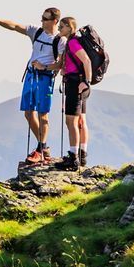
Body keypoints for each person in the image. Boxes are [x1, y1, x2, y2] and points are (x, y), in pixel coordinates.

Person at [0, 7, 66, 166]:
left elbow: (61, 64)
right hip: (31, 75)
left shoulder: (60, 41)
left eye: (45, 19)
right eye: (42, 18)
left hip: (45, 78)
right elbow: (15, 26)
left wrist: (44, 67)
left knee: (42, 114)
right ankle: (43, 147)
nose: (42, 21)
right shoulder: (36, 32)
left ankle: (41, 148)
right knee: (28, 113)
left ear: (55, 21)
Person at [56, 16, 95, 169]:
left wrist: (86, 81)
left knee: (71, 121)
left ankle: (73, 158)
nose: (59, 30)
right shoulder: (74, 41)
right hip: (80, 83)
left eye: (62, 27)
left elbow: (86, 60)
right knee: (81, 121)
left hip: (75, 84)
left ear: (69, 27)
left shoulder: (72, 42)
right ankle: (82, 155)